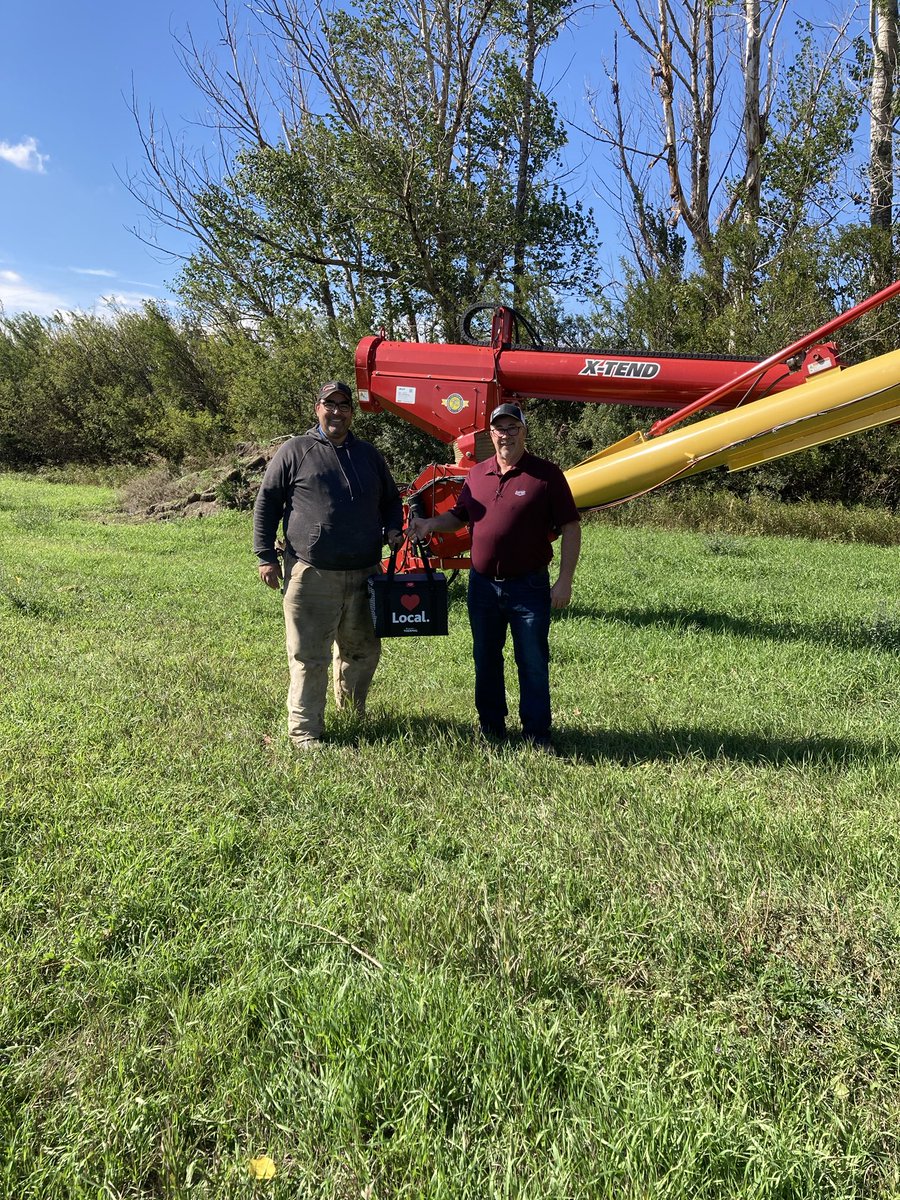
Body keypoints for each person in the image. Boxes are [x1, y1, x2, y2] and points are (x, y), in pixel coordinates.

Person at [408, 402, 581, 749]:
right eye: (500, 429)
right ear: (491, 434)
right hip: (483, 587)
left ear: (524, 431)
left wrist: (565, 580)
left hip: (529, 586)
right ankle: (491, 728)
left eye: (513, 428)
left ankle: (536, 734)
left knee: (532, 661)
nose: (506, 435)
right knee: (486, 659)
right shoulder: (476, 475)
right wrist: (430, 523)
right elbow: (459, 517)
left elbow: (571, 527)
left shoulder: (546, 475)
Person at [253, 380, 404, 750]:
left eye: (344, 405)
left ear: (352, 412)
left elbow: (391, 500)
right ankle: (305, 731)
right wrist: (265, 556)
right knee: (309, 655)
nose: (337, 411)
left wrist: (393, 528)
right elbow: (267, 502)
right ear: (317, 408)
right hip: (311, 572)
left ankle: (352, 714)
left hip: (366, 573)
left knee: (363, 651)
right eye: (329, 404)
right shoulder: (295, 450)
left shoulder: (368, 455)